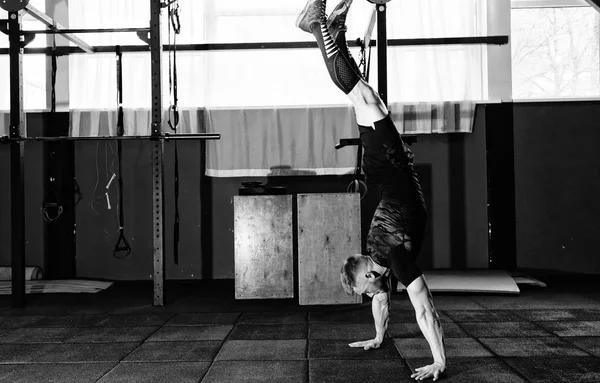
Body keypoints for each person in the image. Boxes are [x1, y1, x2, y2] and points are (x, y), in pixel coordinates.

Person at [296, 0, 446, 381]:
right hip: (389, 171)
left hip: (389, 169)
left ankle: (318, 27)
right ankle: (334, 30)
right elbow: (386, 301)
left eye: (367, 290)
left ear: (368, 276)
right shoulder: (387, 264)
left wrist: (440, 360)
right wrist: (378, 337)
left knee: (362, 96)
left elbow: (424, 309)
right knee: (363, 96)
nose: (374, 295)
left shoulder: (394, 261)